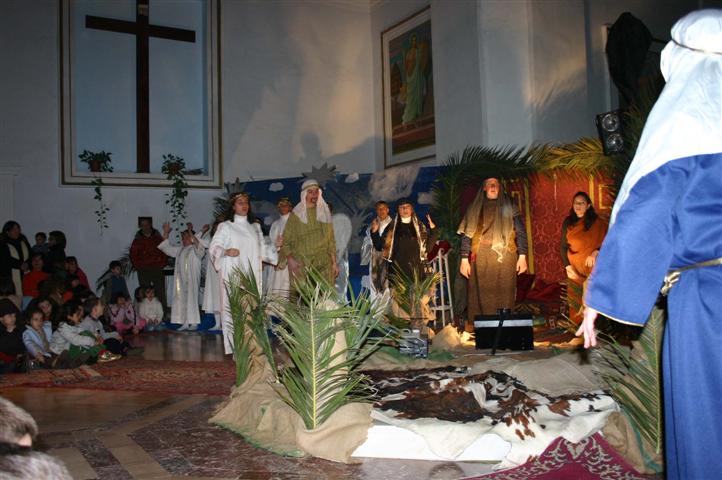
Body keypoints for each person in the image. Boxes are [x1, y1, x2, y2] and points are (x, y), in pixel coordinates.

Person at [576, 11, 722, 480]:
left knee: (707, 420)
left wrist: (602, 295)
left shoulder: (685, 124)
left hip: (709, 302)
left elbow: (648, 212)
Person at [209, 192, 277, 354]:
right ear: (233, 206)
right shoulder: (226, 226)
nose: (244, 205)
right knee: (235, 311)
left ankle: (251, 346)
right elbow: (214, 247)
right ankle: (236, 347)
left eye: (246, 202)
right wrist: (226, 251)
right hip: (234, 275)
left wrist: (277, 246)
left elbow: (264, 251)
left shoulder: (255, 227)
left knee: (252, 311)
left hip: (251, 277)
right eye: (240, 202)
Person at [457, 178, 528, 322]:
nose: (493, 186)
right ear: (484, 188)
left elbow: (520, 231)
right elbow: (467, 234)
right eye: (490, 184)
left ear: (500, 187)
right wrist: (464, 259)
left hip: (506, 256)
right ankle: (484, 328)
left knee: (505, 295)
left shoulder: (509, 205)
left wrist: (522, 256)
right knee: (481, 296)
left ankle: (504, 326)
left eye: (496, 184)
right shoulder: (475, 207)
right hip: (481, 257)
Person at [371, 198, 437, 326]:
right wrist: (374, 233)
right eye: (402, 207)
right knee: (399, 309)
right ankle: (402, 333)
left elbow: (428, 248)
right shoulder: (391, 228)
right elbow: (380, 246)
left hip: (416, 274)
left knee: (417, 307)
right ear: (398, 210)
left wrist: (433, 230)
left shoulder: (420, 227)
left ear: (411, 209)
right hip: (397, 274)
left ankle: (418, 333)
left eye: (407, 206)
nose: (405, 209)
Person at [560, 192, 607, 324]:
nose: (578, 205)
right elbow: (563, 246)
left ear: (588, 205)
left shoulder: (598, 223)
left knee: (591, 299)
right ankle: (577, 328)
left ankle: (593, 328)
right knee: (575, 299)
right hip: (574, 269)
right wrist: (567, 266)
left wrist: (596, 252)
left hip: (593, 269)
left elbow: (608, 243)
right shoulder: (568, 222)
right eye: (576, 202)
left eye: (581, 203)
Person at [279, 179, 338, 285]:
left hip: (324, 264)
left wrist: (334, 263)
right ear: (304, 194)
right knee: (304, 294)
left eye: (316, 191)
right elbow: (286, 241)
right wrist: (291, 260)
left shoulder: (324, 212)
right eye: (310, 192)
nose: (314, 195)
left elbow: (330, 240)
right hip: (302, 264)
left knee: (325, 294)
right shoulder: (296, 215)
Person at [157, 223, 204, 331]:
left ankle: (194, 323)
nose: (183, 240)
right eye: (183, 238)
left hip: (192, 279)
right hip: (181, 280)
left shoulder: (196, 248)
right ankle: (185, 322)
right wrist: (166, 232)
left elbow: (200, 251)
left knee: (192, 299)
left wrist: (190, 231)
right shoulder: (180, 249)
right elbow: (166, 248)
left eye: (186, 237)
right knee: (183, 299)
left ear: (192, 238)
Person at [49, 301, 110, 367]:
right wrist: (92, 341)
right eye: (77, 315)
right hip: (57, 353)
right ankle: (60, 362)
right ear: (69, 316)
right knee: (79, 345)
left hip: (68, 350)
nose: (80, 317)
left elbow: (85, 332)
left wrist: (96, 337)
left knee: (85, 347)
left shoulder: (75, 324)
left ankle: (74, 363)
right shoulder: (63, 327)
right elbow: (75, 339)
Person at [130, 218, 168, 312]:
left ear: (150, 225)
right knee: (144, 291)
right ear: (140, 226)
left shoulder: (157, 238)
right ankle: (145, 313)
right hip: (143, 269)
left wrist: (161, 263)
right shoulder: (137, 240)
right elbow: (133, 254)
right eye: (142, 225)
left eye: (146, 224)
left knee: (160, 290)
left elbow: (164, 250)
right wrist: (138, 266)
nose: (145, 227)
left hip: (157, 268)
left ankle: (162, 312)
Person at [361, 200, 393, 296]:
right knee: (375, 287)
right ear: (376, 211)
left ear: (387, 210)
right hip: (375, 258)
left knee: (387, 286)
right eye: (379, 209)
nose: (381, 211)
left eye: (383, 208)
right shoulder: (372, 225)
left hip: (389, 259)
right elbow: (367, 243)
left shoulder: (394, 225)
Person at [265, 197, 292, 300]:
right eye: (281, 205)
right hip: (276, 259)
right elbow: (271, 243)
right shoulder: (275, 224)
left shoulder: (295, 222)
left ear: (290, 207)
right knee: (275, 284)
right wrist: (276, 249)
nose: (283, 207)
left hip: (290, 260)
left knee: (287, 285)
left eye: (285, 205)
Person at [0, 221, 31, 297]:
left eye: (18, 229)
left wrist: (27, 263)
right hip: (9, 276)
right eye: (14, 229)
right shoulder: (2, 244)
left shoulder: (23, 241)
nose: (17, 231)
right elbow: (4, 260)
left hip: (25, 273)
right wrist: (20, 265)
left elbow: (31, 255)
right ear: (7, 232)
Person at [330, 202, 352, 298]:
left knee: (340, 290)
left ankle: (341, 306)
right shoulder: (318, 225)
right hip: (323, 262)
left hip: (338, 260)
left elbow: (341, 244)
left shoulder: (338, 224)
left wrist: (335, 261)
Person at [0, 298, 25, 373]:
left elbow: (22, 345)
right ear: (1, 318)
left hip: (18, 363)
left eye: (14, 315)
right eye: (10, 315)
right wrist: (9, 332)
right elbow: (3, 347)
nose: (13, 318)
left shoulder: (18, 327)